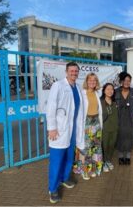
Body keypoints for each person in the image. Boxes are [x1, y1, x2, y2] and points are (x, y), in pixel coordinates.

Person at [46, 62, 85, 204]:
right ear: (66, 71)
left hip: (73, 130)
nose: (74, 73)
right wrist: (52, 128)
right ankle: (53, 188)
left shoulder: (78, 88)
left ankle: (64, 178)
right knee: (56, 161)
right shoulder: (58, 85)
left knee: (69, 158)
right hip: (60, 130)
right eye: (72, 71)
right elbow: (51, 107)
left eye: (76, 71)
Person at [73, 73, 103, 180]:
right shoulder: (82, 93)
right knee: (85, 148)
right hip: (86, 123)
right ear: (86, 81)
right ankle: (83, 170)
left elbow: (99, 110)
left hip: (96, 122)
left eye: (94, 80)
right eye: (90, 80)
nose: (92, 82)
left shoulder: (97, 93)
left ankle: (92, 169)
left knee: (95, 148)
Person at [115, 73, 133, 165]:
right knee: (120, 135)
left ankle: (127, 156)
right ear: (121, 81)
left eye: (128, 80)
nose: (126, 82)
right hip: (118, 116)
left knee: (129, 135)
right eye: (125, 80)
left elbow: (132, 103)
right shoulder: (115, 91)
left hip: (130, 117)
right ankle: (120, 156)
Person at [101, 83, 118, 172]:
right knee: (104, 145)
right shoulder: (101, 102)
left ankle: (108, 161)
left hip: (114, 128)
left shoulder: (115, 102)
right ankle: (103, 162)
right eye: (108, 89)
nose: (110, 91)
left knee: (111, 145)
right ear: (104, 90)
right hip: (105, 129)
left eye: (112, 89)